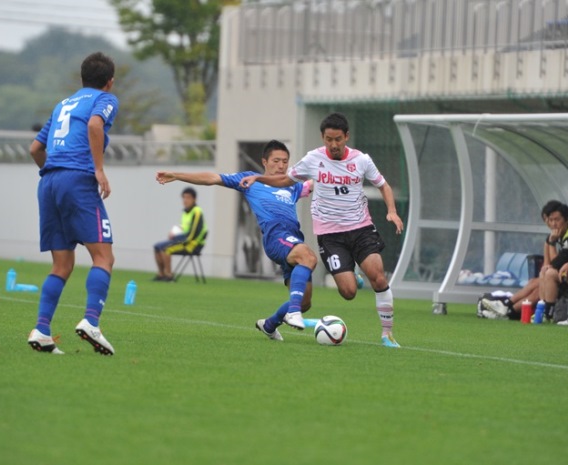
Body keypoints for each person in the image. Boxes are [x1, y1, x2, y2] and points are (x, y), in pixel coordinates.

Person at [240, 113, 404, 348]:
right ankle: (352, 274)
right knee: (348, 292)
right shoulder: (313, 159)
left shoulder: (361, 160)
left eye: (338, 139)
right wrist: (259, 178)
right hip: (330, 236)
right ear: (322, 138)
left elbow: (383, 185)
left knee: (378, 277)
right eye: (328, 139)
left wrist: (392, 211)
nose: (333, 144)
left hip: (361, 228)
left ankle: (387, 334)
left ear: (346, 137)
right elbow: (286, 180)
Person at [156, 140, 317, 340]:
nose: (281, 166)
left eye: (285, 161)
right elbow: (212, 178)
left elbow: (315, 183)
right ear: (264, 162)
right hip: (276, 237)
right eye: (276, 161)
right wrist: (176, 175)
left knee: (304, 302)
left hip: (293, 240)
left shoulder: (291, 186)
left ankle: (269, 325)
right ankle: (292, 313)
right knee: (309, 257)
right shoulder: (250, 180)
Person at [27, 52, 118, 356]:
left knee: (62, 264)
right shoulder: (105, 99)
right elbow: (95, 125)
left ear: (81, 79)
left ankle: (42, 330)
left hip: (49, 182)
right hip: (77, 180)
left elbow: (35, 148)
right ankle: (91, 321)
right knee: (103, 257)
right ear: (109, 81)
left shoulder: (63, 104)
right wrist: (99, 170)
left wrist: (54, 174)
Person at [537, 201, 568, 320]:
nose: (554, 224)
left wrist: (552, 243)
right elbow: (553, 263)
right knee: (544, 272)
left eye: (557, 219)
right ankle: (542, 310)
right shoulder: (560, 234)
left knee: (550, 273)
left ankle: (549, 313)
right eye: (551, 220)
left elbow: (557, 263)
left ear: (566, 220)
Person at [152, 187, 207, 282]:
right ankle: (161, 274)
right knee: (157, 247)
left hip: (193, 244)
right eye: (184, 197)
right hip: (185, 240)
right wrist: (174, 233)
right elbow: (184, 228)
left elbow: (193, 234)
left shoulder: (197, 212)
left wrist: (176, 238)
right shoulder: (185, 212)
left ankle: (169, 275)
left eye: (188, 198)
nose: (185, 200)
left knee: (166, 249)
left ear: (194, 199)